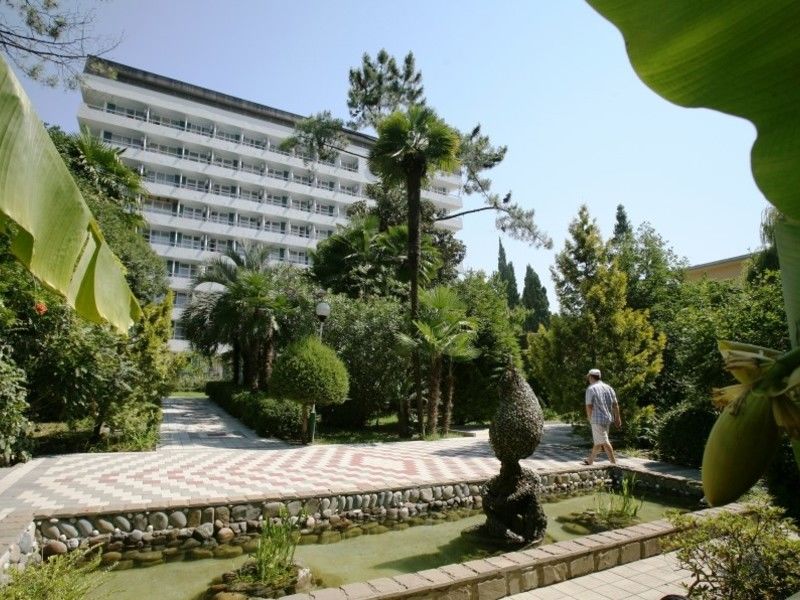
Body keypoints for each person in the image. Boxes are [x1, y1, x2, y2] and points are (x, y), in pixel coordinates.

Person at [583, 368, 621, 465]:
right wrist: (617, 418)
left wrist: (589, 418)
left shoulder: (591, 389)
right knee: (599, 441)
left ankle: (614, 463)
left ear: (591, 377)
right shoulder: (609, 388)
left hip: (597, 419)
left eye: (588, 377)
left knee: (604, 441)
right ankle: (590, 460)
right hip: (607, 419)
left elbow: (589, 406)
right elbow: (615, 404)